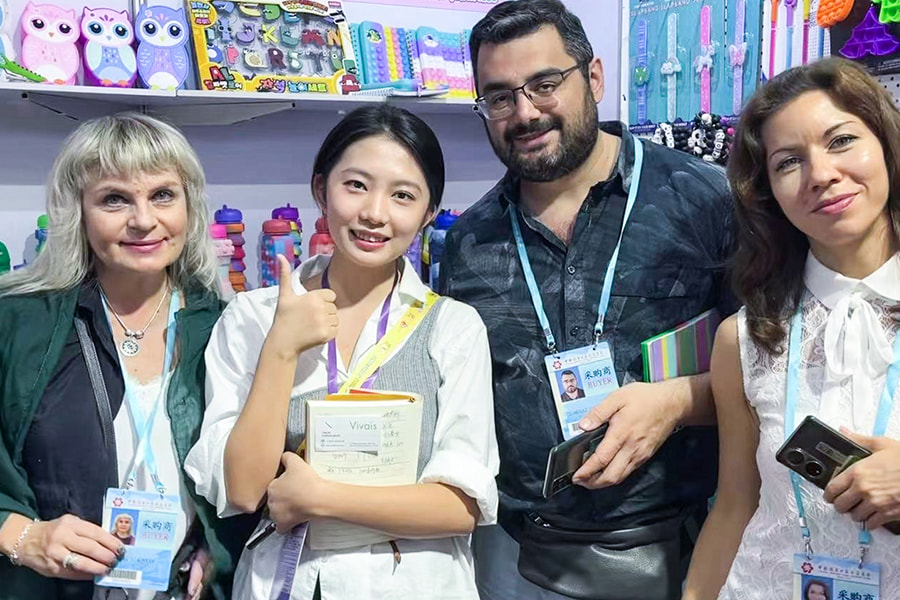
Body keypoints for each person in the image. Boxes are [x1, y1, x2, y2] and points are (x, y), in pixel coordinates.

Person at [438, 1, 736, 598]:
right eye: (499, 97)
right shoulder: (469, 242)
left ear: (594, 77)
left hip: (684, 549)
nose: (525, 112)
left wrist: (680, 400)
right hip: (515, 555)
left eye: (545, 84)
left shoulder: (704, 199)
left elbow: (774, 365)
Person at [185, 104, 499, 600]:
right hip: (286, 582)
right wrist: (281, 349)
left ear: (428, 214)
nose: (375, 212)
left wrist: (322, 499)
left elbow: (460, 506)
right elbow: (244, 489)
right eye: (356, 185)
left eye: (402, 195)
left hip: (413, 586)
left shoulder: (454, 328)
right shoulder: (252, 316)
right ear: (320, 189)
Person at [0, 113, 256, 600]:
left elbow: (251, 476)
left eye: (163, 195)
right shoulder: (17, 324)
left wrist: (214, 541)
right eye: (114, 199)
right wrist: (23, 537)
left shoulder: (227, 326)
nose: (143, 220)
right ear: (77, 210)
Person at [682, 58, 900, 599]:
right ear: (768, 192)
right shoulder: (746, 337)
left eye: (841, 140)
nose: (821, 174)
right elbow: (735, 505)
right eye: (789, 162)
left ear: (886, 144)